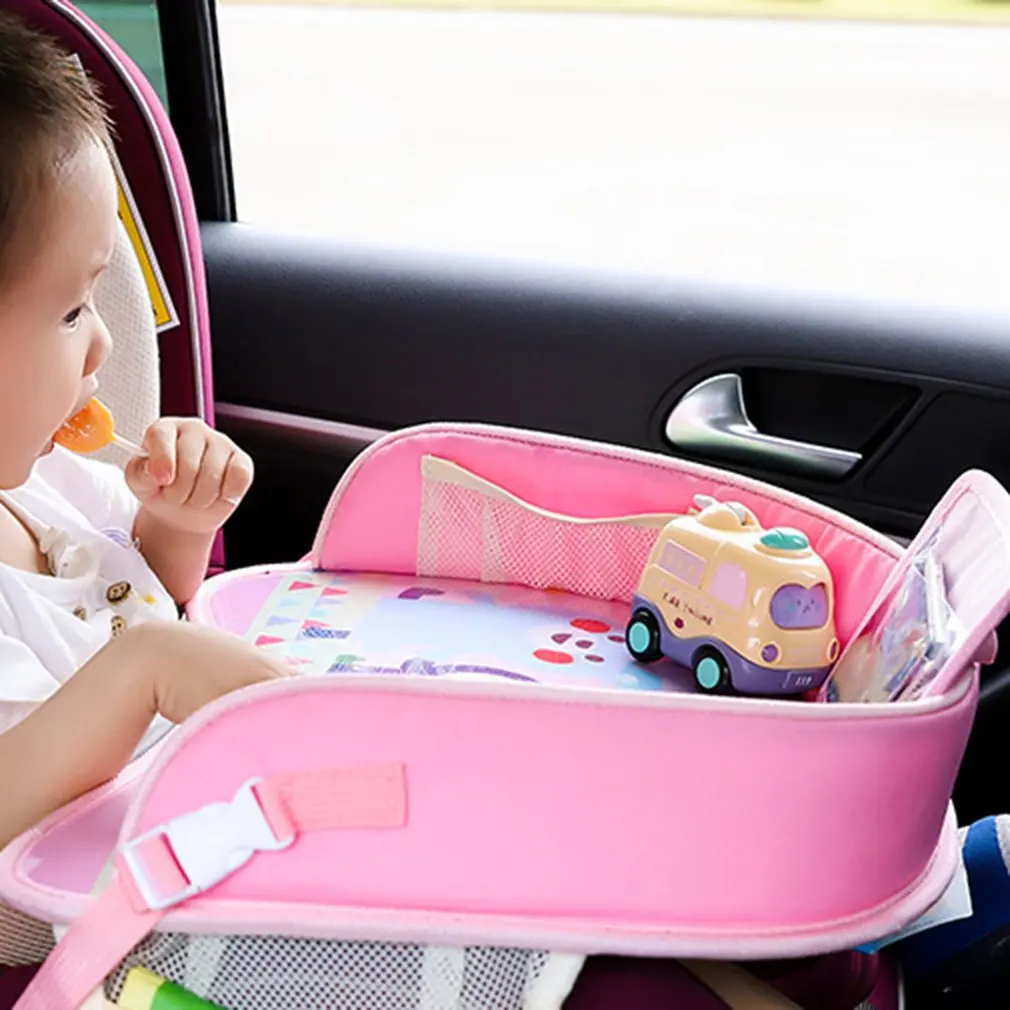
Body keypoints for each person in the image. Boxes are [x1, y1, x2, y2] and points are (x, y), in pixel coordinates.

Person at [0, 8, 283, 975]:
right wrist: (148, 670)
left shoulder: (48, 482)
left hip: (213, 837)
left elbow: (143, 597)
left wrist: (173, 523)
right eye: (73, 309)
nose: (106, 343)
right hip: (111, 937)